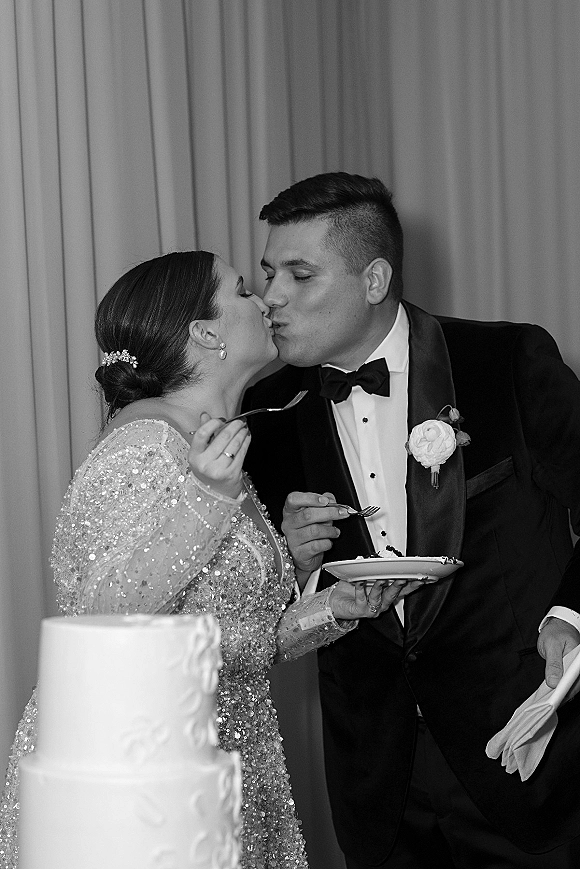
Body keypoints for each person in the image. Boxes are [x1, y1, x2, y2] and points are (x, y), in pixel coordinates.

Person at [0, 250, 411, 869]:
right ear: (206, 332)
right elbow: (96, 614)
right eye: (243, 290)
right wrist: (203, 499)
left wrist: (329, 602)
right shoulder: (143, 443)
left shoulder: (213, 448)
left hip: (235, 757)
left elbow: (236, 641)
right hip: (148, 779)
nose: (266, 301)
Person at [242, 172, 580, 868]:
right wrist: (298, 568)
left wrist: (570, 617)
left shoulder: (505, 361)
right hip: (378, 787)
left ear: (373, 279)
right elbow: (256, 612)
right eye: (270, 272)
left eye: (300, 275)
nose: (271, 296)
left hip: (528, 759)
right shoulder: (266, 413)